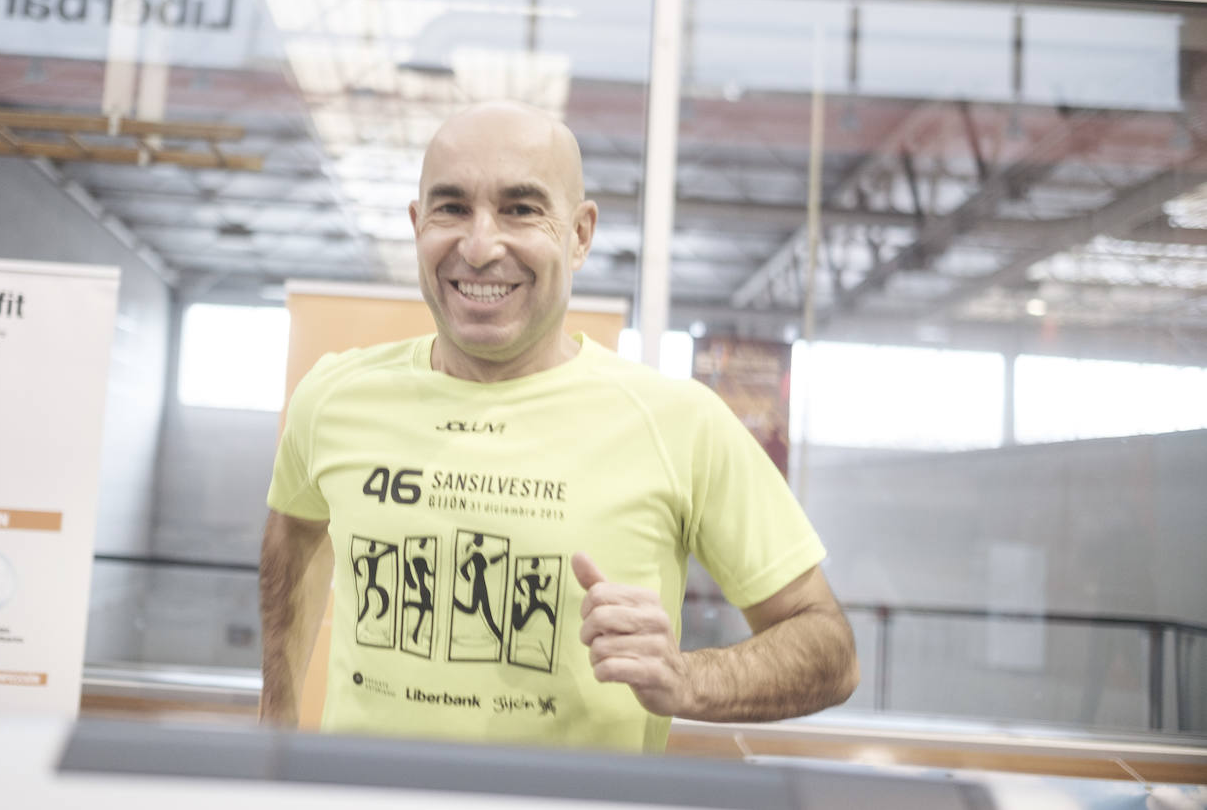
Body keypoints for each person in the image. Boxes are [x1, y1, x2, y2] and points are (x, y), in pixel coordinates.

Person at [259, 101, 858, 752]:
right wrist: (275, 718)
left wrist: (687, 679)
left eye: (520, 209)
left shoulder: (678, 424)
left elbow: (827, 644)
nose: (480, 246)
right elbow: (292, 542)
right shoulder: (334, 395)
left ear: (579, 234)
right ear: (416, 224)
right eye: (451, 207)